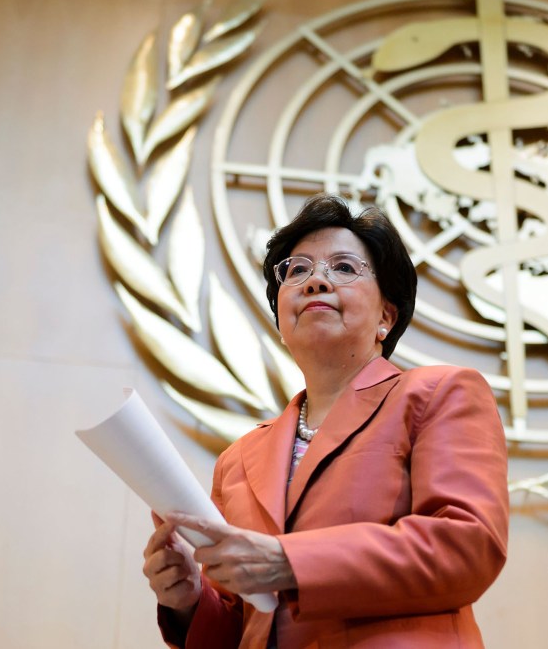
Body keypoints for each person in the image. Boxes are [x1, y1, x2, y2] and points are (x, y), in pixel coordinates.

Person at [142, 194, 510, 648]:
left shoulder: (439, 394)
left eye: (344, 267)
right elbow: (243, 625)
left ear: (385, 317)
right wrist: (189, 601)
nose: (316, 280)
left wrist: (289, 562)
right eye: (297, 270)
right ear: (281, 322)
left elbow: (466, 545)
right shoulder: (238, 459)